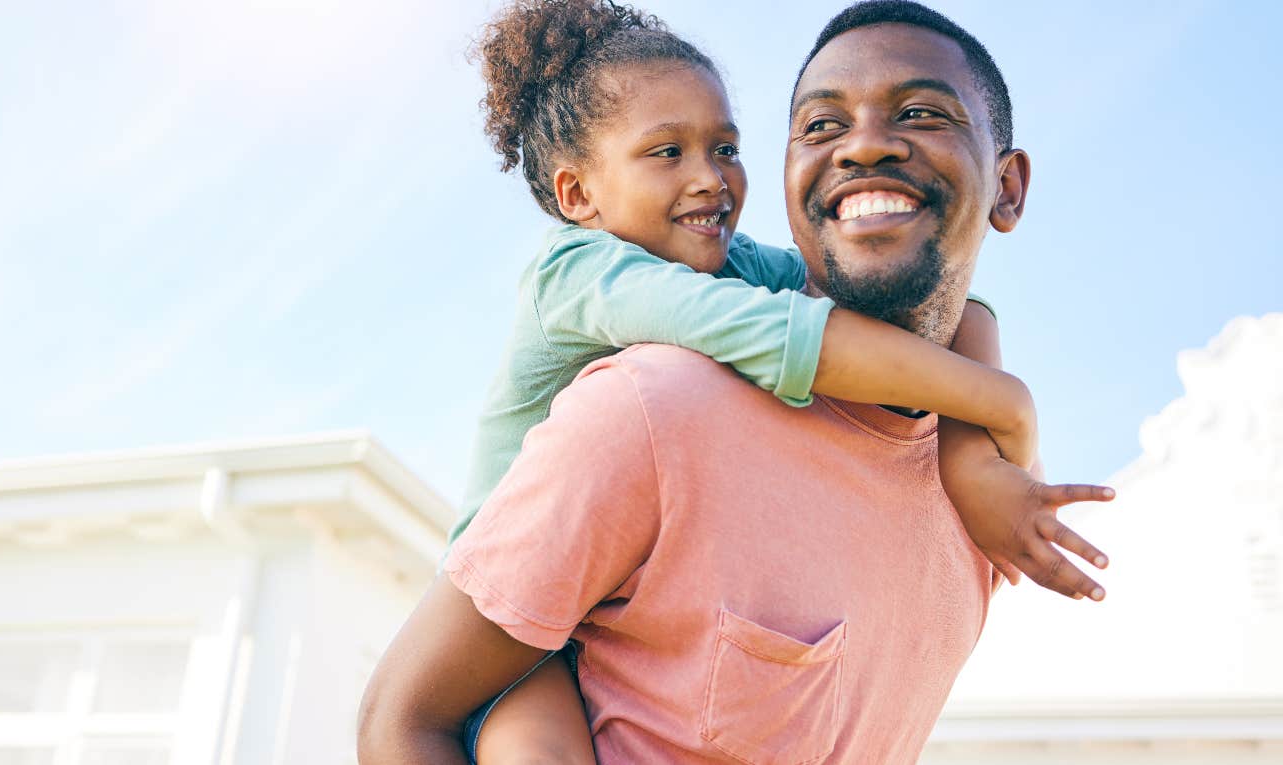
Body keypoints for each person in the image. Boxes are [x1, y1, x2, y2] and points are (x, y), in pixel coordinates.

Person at [359, 1, 1115, 763]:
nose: (709, 179)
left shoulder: (731, 267)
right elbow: (791, 339)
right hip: (515, 630)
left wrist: (972, 452)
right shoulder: (598, 303)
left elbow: (955, 309)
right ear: (579, 195)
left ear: (1009, 187)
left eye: (725, 148)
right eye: (666, 152)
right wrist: (1002, 402)